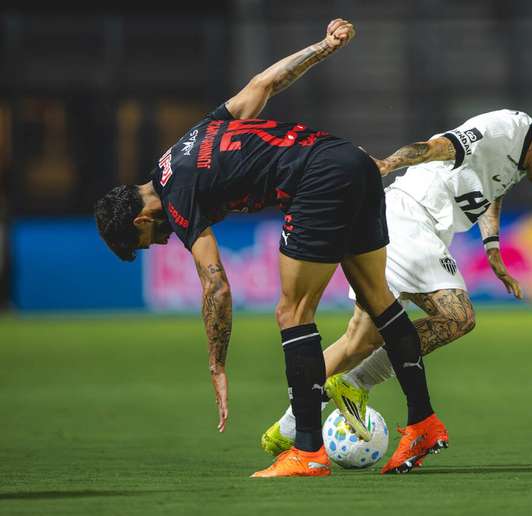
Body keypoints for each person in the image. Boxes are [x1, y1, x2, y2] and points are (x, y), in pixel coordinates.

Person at [93, 19, 448, 477]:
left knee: (292, 313)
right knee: (380, 299)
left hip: (317, 181)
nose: (158, 243)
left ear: (141, 220)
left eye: (145, 241)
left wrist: (216, 364)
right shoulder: (184, 146)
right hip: (352, 160)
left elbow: (216, 285)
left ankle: (307, 451)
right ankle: (423, 421)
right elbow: (265, 83)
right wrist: (323, 46)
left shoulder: (177, 200)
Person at [261, 109, 532, 453]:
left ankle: (288, 428)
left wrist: (493, 248)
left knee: (360, 341)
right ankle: (355, 383)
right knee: (458, 317)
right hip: (410, 220)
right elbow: (439, 147)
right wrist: (385, 165)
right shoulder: (503, 129)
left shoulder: (520, 154)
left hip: (409, 225)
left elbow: (492, 188)